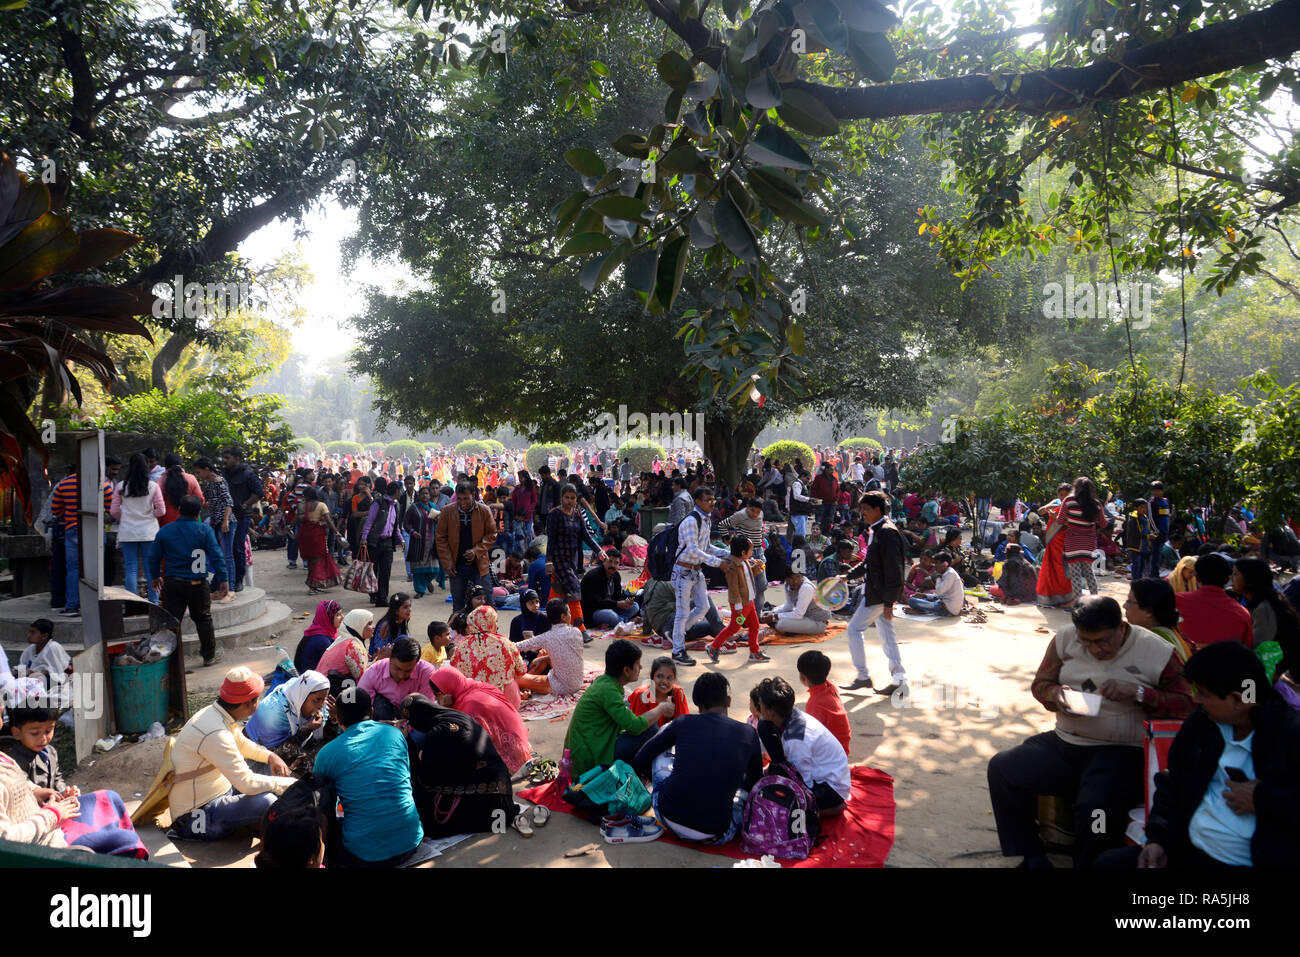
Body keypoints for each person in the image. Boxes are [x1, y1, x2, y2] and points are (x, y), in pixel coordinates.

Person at [986, 596, 1194, 868]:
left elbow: (1188, 703)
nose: (1095, 649)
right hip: (1067, 742)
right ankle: (1032, 854)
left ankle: (1090, 862)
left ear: (1121, 627)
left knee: (1096, 811)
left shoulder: (1157, 651)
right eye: (1087, 642)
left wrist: (1141, 693)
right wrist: (1056, 695)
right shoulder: (1065, 639)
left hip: (1123, 751)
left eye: (1103, 641)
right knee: (1004, 768)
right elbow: (1041, 684)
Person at [1112, 642, 1300, 869]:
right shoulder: (1203, 724)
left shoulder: (1289, 735)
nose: (1196, 699)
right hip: (1188, 851)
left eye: (1203, 694)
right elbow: (1172, 783)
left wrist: (1264, 799)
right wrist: (1158, 840)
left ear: (1238, 700)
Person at [632, 671, 762, 845]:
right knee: (744, 793)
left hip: (668, 818)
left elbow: (641, 758)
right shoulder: (749, 732)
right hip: (718, 834)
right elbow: (755, 781)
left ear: (698, 705)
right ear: (728, 701)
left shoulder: (683, 722)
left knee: (662, 747)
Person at [168, 667, 297, 841]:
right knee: (267, 801)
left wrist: (270, 756)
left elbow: (241, 744)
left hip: (216, 793)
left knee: (264, 775)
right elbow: (246, 783)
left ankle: (252, 822)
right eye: (257, 699)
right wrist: (288, 785)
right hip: (195, 819)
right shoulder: (215, 734)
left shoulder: (215, 714)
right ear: (248, 704)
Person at [0, 705, 148, 857]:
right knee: (125, 840)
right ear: (16, 733)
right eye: (35, 733)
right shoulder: (16, 759)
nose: (43, 738)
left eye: (48, 731)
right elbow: (6, 839)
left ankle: (110, 832)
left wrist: (61, 793)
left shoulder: (47, 753)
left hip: (51, 815)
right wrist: (53, 812)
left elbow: (44, 782)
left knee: (110, 797)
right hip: (45, 834)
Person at [312, 687, 435, 867]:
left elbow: (318, 796)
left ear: (337, 717)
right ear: (371, 711)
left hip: (364, 855)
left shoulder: (327, 753)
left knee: (324, 798)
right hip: (410, 842)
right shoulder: (395, 734)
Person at [401, 693, 521, 838]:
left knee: (419, 805)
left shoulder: (438, 732)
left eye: (410, 721)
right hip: (503, 802)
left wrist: (414, 752)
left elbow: (427, 778)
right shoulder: (458, 716)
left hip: (488, 806)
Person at [563, 639, 674, 777]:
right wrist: (661, 709)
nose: (641, 668)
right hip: (591, 759)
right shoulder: (608, 691)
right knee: (650, 729)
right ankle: (635, 774)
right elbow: (635, 726)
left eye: (670, 678)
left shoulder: (606, 683)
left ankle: (636, 771)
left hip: (592, 745)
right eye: (638, 664)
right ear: (626, 670)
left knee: (636, 715)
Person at [838, 489, 907, 697]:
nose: (863, 514)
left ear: (878, 509)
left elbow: (895, 570)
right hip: (877, 592)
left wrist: (888, 602)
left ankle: (863, 676)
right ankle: (898, 678)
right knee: (887, 634)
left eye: (866, 509)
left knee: (854, 629)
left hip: (878, 594)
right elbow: (870, 563)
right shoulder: (877, 530)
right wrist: (848, 575)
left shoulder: (886, 532)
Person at [148, 494, 227, 666]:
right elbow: (216, 555)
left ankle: (170, 659)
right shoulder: (204, 530)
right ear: (199, 512)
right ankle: (208, 656)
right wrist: (223, 578)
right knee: (203, 619)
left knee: (171, 622)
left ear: (178, 510)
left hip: (173, 583)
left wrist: (155, 577)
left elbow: (153, 557)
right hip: (198, 583)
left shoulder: (165, 531)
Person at [754, 676, 851, 816]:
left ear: (771, 711)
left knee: (777, 806)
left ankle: (826, 810)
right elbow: (760, 746)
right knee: (764, 726)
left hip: (829, 789)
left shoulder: (796, 739)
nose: (758, 705)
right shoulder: (784, 715)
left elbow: (803, 781)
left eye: (760, 703)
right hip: (811, 771)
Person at [428, 665, 532, 775]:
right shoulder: (476, 686)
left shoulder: (469, 706)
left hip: (513, 757)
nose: (436, 699)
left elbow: (465, 743)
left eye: (437, 695)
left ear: (447, 689)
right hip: (521, 741)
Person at [669, 487, 731, 667]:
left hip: (696, 571)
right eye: (708, 499)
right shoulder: (691, 521)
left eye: (713, 499)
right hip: (683, 572)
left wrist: (728, 553)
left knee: (703, 607)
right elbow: (693, 550)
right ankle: (677, 650)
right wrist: (718, 563)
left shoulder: (706, 520)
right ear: (697, 501)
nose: (712, 502)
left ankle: (676, 636)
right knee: (682, 613)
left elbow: (707, 547)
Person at [545, 483, 605, 644]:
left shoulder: (577, 514)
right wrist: (549, 561)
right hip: (558, 559)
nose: (569, 501)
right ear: (561, 498)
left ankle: (552, 624)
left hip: (572, 559)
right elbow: (551, 539)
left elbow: (586, 536)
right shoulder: (554, 514)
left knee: (560, 593)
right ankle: (581, 628)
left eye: (572, 498)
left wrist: (599, 550)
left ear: (576, 499)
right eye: (567, 498)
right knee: (574, 589)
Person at [110, 452, 166, 605]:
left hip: (128, 532)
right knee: (151, 569)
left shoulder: (121, 486)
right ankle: (153, 602)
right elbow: (161, 510)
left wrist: (127, 518)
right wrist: (149, 515)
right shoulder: (153, 486)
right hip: (149, 532)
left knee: (131, 568)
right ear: (146, 467)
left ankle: (132, 603)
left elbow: (114, 511)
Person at [448, 605, 527, 708]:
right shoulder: (504, 643)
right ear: (490, 622)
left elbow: (453, 671)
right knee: (512, 681)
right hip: (505, 702)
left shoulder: (462, 646)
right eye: (495, 621)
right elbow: (522, 670)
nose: (496, 624)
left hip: (473, 703)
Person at [1232, 557, 1298, 680]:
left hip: (1274, 674)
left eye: (1236, 574)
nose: (1232, 579)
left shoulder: (1264, 608)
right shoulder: (1269, 600)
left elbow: (1259, 650)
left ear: (1250, 578)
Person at [436, 482, 497, 613]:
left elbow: (492, 534)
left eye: (466, 498)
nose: (462, 502)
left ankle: (490, 631)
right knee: (458, 604)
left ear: (473, 495)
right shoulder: (448, 511)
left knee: (487, 602)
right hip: (456, 565)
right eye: (459, 498)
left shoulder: (484, 511)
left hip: (479, 564)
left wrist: (477, 551)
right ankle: (459, 632)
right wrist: (447, 563)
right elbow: (440, 538)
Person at [708, 535, 770, 663]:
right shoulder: (733, 567)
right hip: (740, 605)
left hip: (749, 601)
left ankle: (754, 651)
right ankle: (714, 647)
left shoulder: (745, 561)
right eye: (751, 550)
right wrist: (738, 607)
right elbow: (734, 588)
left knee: (754, 626)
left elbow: (748, 577)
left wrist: (759, 567)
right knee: (734, 628)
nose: (752, 553)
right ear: (743, 552)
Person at [1174, 553, 1253, 651]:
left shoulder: (1175, 602)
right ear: (1227, 580)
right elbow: (1247, 650)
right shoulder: (1242, 614)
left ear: (1197, 578)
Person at [514, 598, 586, 697]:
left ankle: (528, 683)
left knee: (516, 679)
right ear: (563, 616)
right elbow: (566, 655)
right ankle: (530, 682)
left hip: (562, 687)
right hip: (577, 681)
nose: (571, 615)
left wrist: (496, 642)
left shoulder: (547, 637)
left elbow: (517, 646)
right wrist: (542, 658)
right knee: (543, 653)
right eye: (569, 612)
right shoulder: (576, 632)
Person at [243, 670, 331, 751]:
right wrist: (307, 729)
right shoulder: (275, 714)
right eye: (317, 700)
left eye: (324, 699)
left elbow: (321, 735)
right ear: (302, 696)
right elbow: (278, 755)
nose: (321, 705)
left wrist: (334, 719)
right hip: (256, 751)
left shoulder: (299, 691)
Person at [357, 637, 437, 721]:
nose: (401, 675)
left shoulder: (426, 672)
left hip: (412, 719)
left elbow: (425, 709)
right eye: (397, 669)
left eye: (408, 670)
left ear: (417, 663)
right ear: (390, 658)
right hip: (382, 718)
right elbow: (361, 706)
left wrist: (403, 729)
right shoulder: (375, 671)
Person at [222, 447, 264, 592]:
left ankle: (238, 580)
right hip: (226, 516)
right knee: (225, 549)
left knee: (238, 548)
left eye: (228, 458)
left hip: (241, 516)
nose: (225, 461)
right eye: (224, 458)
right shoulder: (223, 473)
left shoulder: (248, 474)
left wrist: (245, 504)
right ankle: (226, 579)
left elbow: (259, 493)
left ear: (237, 459)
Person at [360, 479, 407, 606]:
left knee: (386, 571)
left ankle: (382, 598)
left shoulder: (396, 505)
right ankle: (374, 594)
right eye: (400, 490)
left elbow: (395, 525)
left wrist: (401, 539)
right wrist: (364, 538)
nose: (401, 492)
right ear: (396, 491)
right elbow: (369, 521)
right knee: (374, 571)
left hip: (387, 543)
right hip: (375, 541)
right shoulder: (378, 503)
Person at [1124, 578, 1193, 663]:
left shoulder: (1151, 646)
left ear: (1149, 611)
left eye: (1129, 601)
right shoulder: (1173, 634)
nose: (1124, 606)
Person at [797, 650, 851, 756]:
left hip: (832, 755)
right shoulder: (829, 687)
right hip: (841, 748)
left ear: (803, 677)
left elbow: (812, 737)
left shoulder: (815, 703)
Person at [716, 497, 769, 602]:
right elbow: (722, 525)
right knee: (748, 586)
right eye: (752, 511)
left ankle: (756, 614)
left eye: (757, 512)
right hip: (745, 554)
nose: (755, 514)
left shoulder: (761, 514)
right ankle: (747, 610)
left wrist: (761, 534)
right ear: (747, 507)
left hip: (759, 551)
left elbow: (759, 526)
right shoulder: (740, 515)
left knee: (762, 586)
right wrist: (728, 540)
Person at [295, 486, 343, 594]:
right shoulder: (321, 505)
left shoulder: (301, 506)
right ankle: (312, 586)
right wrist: (336, 531)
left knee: (310, 560)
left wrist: (288, 527)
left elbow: (296, 520)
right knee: (316, 561)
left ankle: (313, 585)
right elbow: (329, 521)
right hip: (316, 535)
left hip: (304, 535)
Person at [580, 548, 640, 631]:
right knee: (609, 614)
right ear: (604, 561)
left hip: (611, 608)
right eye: (610, 561)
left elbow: (618, 597)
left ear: (619, 565)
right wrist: (617, 604)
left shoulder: (616, 576)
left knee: (635, 606)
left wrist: (626, 602)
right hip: (593, 611)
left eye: (616, 563)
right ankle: (627, 621)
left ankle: (619, 621)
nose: (613, 565)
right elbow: (595, 602)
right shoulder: (594, 576)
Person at [626, 656, 691, 730]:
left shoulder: (678, 693)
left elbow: (684, 725)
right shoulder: (642, 695)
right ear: (652, 677)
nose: (664, 681)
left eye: (669, 678)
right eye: (660, 676)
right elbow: (636, 727)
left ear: (674, 679)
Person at [316, 609, 372, 693]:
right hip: (328, 692)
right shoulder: (352, 646)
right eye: (369, 623)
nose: (373, 626)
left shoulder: (344, 639)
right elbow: (364, 680)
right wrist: (380, 661)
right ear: (358, 625)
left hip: (322, 686)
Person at [403, 485, 443, 597]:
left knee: (435, 569)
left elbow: (440, 523)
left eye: (427, 493)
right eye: (422, 493)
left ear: (430, 496)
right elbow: (406, 523)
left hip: (431, 542)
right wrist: (412, 532)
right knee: (418, 569)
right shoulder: (413, 508)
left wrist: (438, 520)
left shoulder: (434, 507)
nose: (424, 495)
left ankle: (426, 582)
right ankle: (420, 590)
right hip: (418, 542)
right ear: (419, 495)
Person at [903, 549, 964, 617]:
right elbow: (939, 595)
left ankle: (921, 611)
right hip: (942, 602)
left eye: (937, 563)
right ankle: (921, 610)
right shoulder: (945, 573)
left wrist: (937, 577)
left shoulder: (950, 574)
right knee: (917, 598)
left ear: (945, 564)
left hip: (947, 609)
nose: (935, 566)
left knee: (912, 601)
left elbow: (938, 591)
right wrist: (924, 595)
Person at [15, 618, 71, 689]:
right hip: (32, 677)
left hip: (51, 680)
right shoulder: (30, 649)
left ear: (44, 636)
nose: (29, 635)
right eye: (29, 632)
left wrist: (39, 674)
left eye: (33, 632)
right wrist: (21, 673)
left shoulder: (53, 647)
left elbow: (57, 670)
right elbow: (22, 664)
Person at [293, 599, 343, 675]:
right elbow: (335, 665)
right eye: (338, 615)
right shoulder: (322, 641)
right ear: (327, 617)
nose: (342, 617)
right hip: (309, 681)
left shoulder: (317, 631)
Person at [370, 593, 412, 658]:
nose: (409, 610)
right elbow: (378, 653)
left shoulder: (402, 620)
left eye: (410, 606)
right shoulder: (386, 625)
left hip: (392, 656)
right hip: (379, 660)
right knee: (403, 639)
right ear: (396, 611)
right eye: (405, 607)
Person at [1124, 499, 1157, 581]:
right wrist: (1148, 536)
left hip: (1144, 546)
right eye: (1142, 507)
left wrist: (1149, 539)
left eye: (1145, 508)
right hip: (1136, 546)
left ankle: (1139, 581)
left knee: (1142, 565)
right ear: (1136, 508)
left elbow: (1147, 530)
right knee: (1136, 565)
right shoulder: (1133, 519)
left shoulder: (1145, 518)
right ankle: (1135, 582)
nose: (1144, 510)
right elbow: (1134, 533)